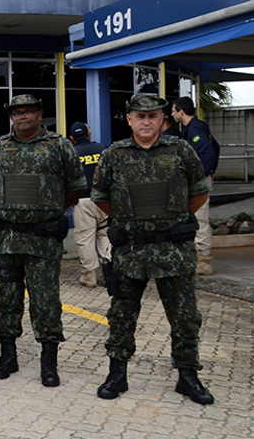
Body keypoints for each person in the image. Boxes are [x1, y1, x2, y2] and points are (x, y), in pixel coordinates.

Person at [92, 93, 214, 405]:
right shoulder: (114, 154)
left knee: (185, 316)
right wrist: (130, 221)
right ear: (130, 119)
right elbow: (101, 197)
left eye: (153, 116)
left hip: (173, 251)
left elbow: (199, 192)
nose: (146, 121)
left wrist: (172, 220)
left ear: (163, 119)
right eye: (140, 116)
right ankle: (117, 373)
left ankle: (188, 375)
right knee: (121, 316)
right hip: (130, 252)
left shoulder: (181, 149)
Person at [0, 95, 85, 387]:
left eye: (29, 111)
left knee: (46, 302)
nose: (23, 117)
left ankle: (48, 364)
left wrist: (49, 211)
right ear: (11, 117)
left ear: (40, 114)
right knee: (7, 300)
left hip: (43, 239)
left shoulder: (59, 146)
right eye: (17, 112)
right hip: (9, 239)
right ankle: (8, 357)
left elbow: (76, 187)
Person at [172, 96, 218, 275]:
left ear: (181, 111)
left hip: (198, 182)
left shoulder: (195, 129)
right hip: (196, 181)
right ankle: (194, 257)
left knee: (200, 218)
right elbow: (217, 147)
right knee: (193, 218)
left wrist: (203, 175)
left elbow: (208, 152)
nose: (172, 114)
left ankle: (204, 261)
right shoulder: (196, 127)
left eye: (174, 110)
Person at [69, 122, 111, 288]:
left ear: (72, 138)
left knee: (85, 238)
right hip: (104, 200)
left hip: (83, 201)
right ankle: (109, 271)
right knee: (106, 235)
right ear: (89, 133)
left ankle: (89, 275)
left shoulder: (72, 154)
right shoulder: (103, 148)